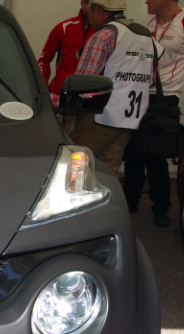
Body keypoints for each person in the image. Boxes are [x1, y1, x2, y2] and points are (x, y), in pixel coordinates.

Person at [67, 0, 161, 176]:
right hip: (129, 121)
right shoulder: (145, 36)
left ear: (98, 10)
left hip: (99, 118)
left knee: (72, 168)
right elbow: (153, 79)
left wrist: (67, 117)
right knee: (107, 175)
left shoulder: (103, 36)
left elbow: (82, 83)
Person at [123, 0, 184, 227]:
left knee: (156, 155)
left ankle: (161, 208)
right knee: (134, 151)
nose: (146, 1)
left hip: (166, 97)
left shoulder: (182, 23)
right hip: (139, 93)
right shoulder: (149, 25)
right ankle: (130, 201)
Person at [38, 1, 95, 105]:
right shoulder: (63, 28)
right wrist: (42, 87)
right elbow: (43, 60)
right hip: (59, 93)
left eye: (93, 3)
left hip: (89, 97)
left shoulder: (103, 33)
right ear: (81, 2)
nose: (89, 7)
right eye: (87, 2)